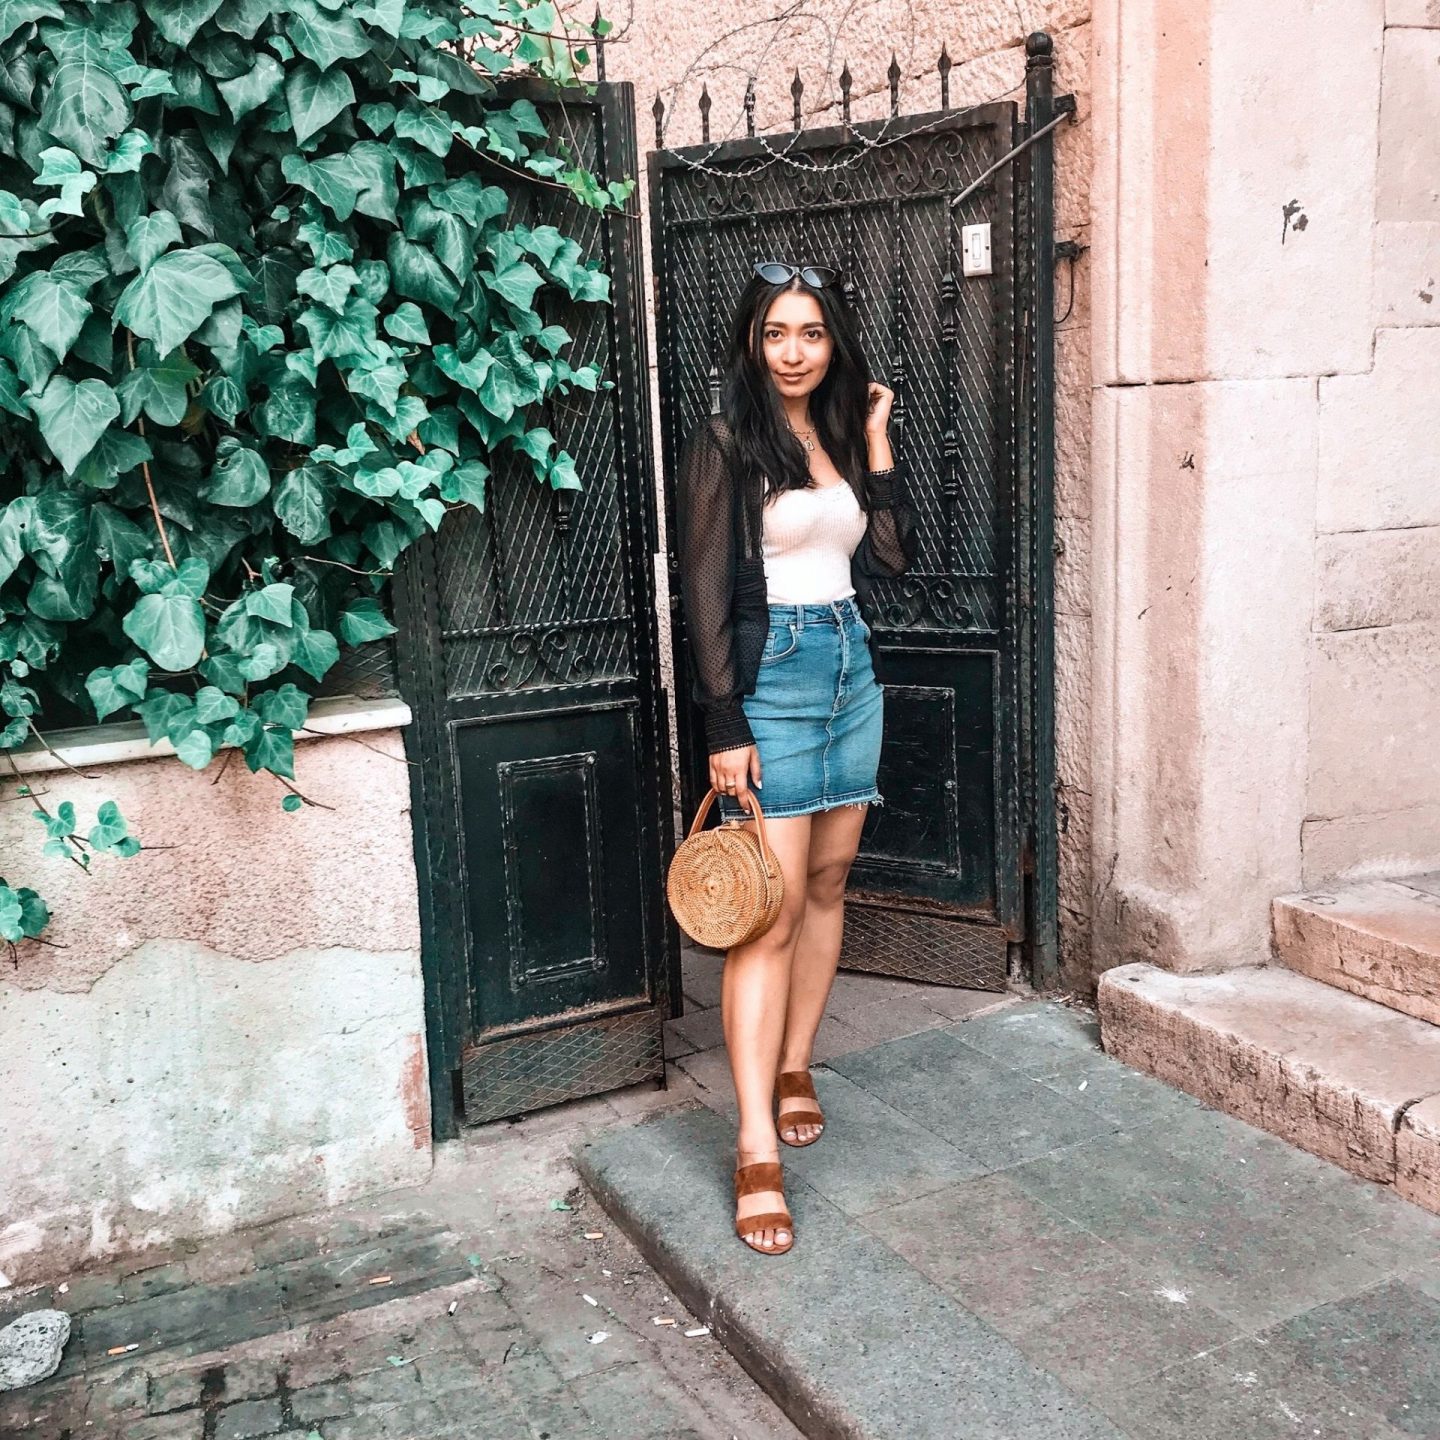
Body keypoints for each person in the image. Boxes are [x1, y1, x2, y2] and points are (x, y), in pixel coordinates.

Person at [674, 260, 919, 1256]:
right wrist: (723, 723)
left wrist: (874, 437)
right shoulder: (729, 441)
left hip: (850, 667)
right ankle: (753, 1144)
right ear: (751, 338)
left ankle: (795, 1063)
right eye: (776, 331)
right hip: (771, 675)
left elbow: (892, 556)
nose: (791, 350)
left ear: (832, 342)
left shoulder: (835, 434)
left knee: (826, 883)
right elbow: (700, 591)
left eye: (810, 333)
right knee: (764, 915)